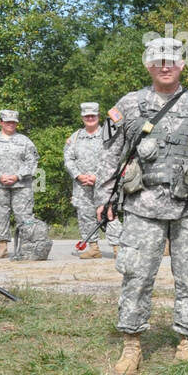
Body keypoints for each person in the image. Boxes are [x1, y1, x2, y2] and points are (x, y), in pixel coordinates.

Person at [96, 37, 188, 374]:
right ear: (148, 66)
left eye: (172, 60)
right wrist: (103, 198)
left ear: (182, 65)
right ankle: (132, 344)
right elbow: (111, 155)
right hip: (143, 205)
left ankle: (187, 342)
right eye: (158, 61)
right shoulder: (129, 104)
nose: (165, 66)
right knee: (136, 274)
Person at [65, 103, 124, 259]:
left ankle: (118, 248)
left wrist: (98, 176)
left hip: (104, 183)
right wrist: (78, 175)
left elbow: (115, 158)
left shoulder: (108, 135)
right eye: (86, 116)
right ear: (82, 118)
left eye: (93, 115)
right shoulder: (75, 137)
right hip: (82, 185)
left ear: (98, 116)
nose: (90, 118)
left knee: (109, 214)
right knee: (85, 215)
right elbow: (68, 159)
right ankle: (93, 248)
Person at [0, 109, 40, 259]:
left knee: (24, 216)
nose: (11, 124)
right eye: (7, 121)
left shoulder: (25, 141)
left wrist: (17, 176)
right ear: (0, 122)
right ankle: (2, 247)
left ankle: (27, 247)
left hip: (22, 186)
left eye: (13, 122)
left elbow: (32, 161)